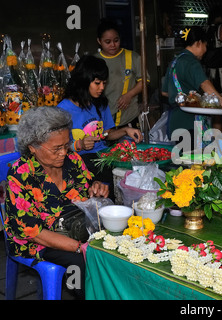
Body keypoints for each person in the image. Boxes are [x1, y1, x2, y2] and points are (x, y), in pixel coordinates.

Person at [3, 106, 109, 299]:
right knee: (83, 265)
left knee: (112, 252)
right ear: (33, 147)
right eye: (56, 149)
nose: (63, 153)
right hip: (40, 242)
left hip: (75, 227)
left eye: (66, 145)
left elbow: (88, 191)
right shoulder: (20, 175)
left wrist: (97, 188)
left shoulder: (73, 159)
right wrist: (79, 247)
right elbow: (34, 233)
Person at [58, 55, 143, 202]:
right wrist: (80, 144)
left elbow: (107, 134)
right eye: (97, 83)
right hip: (80, 163)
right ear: (84, 81)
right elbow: (56, 148)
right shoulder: (63, 110)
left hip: (104, 158)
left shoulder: (99, 104)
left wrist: (125, 130)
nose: (102, 88)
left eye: (104, 83)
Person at [161, 26, 222, 142]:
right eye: (205, 46)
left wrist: (183, 97)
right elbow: (204, 84)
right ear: (199, 43)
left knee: (182, 158)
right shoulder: (192, 62)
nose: (205, 50)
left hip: (175, 123)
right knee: (197, 158)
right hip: (191, 124)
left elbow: (164, 92)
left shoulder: (174, 62)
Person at [95, 19, 148, 129]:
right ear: (99, 41)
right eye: (108, 42)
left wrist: (129, 95)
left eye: (116, 40)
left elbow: (144, 81)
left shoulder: (132, 57)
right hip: (102, 121)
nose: (113, 45)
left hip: (129, 118)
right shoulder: (94, 60)